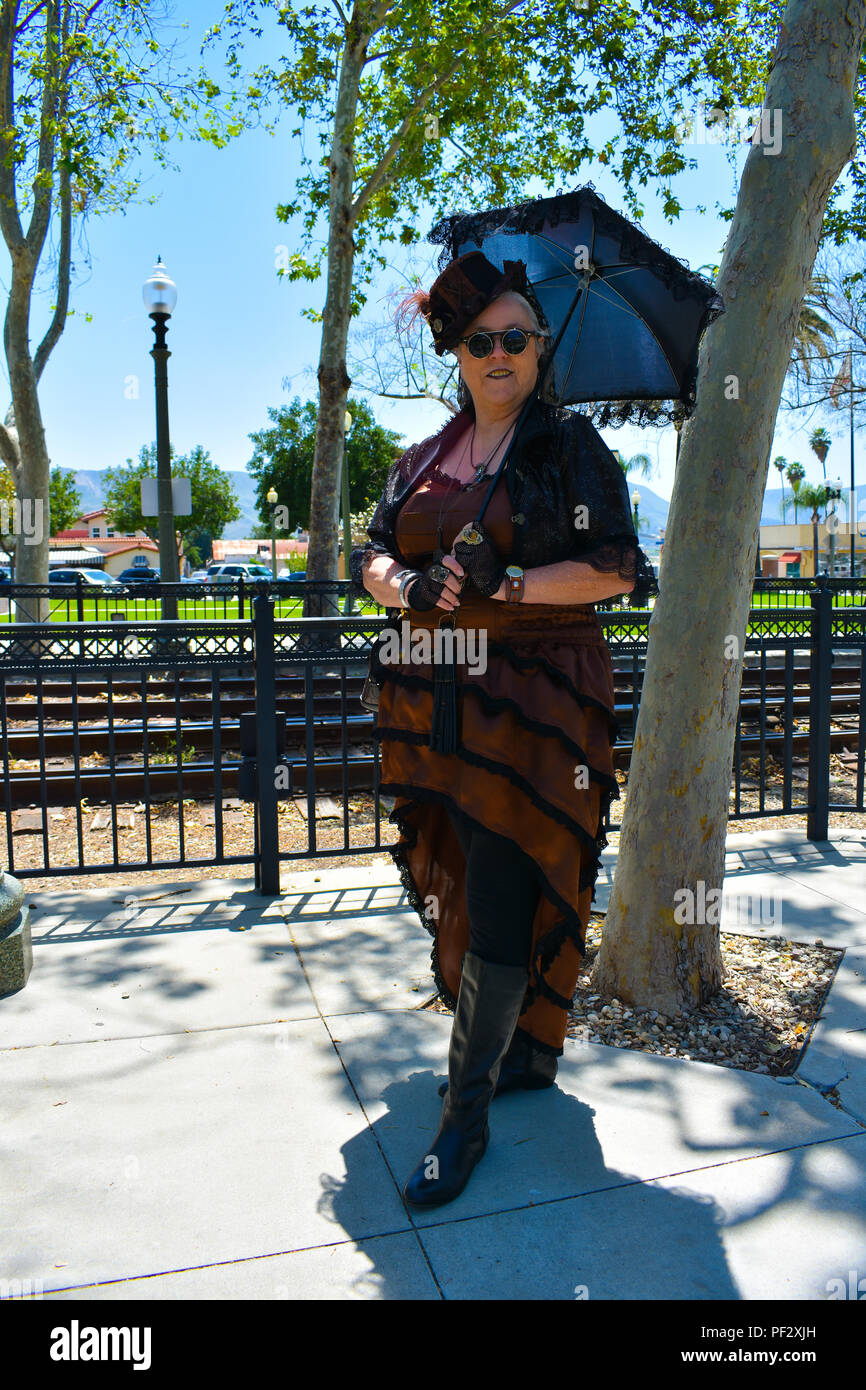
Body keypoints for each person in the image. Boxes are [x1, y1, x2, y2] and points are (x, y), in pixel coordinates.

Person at [349, 250, 658, 1209]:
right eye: (480, 339)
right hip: (439, 700)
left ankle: (464, 1120)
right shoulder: (425, 457)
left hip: (537, 710)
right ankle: (525, 1050)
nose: (498, 353)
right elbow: (370, 547)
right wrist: (401, 584)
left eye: (516, 338)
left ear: (538, 351)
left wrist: (510, 584)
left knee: (495, 875)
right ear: (459, 353)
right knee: (480, 872)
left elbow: (617, 568)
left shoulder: (567, 448)